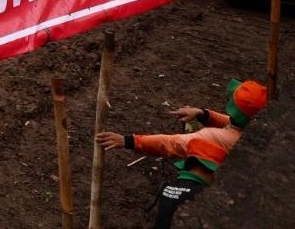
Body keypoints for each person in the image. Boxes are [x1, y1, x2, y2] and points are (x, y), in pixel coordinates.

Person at [97, 79, 268, 228]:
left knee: (168, 202)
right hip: (218, 187)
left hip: (194, 188)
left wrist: (129, 140)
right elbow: (231, 123)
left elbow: (171, 143)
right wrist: (202, 114)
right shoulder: (251, 134)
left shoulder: (211, 137)